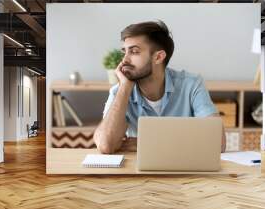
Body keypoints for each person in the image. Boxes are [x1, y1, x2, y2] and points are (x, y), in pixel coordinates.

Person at [94, 20, 226, 154]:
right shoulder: (120, 91)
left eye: (134, 51)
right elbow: (105, 145)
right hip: (138, 173)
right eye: (125, 52)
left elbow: (217, 143)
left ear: (158, 57)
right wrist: (124, 88)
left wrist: (146, 143)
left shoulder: (191, 85)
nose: (124, 60)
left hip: (185, 171)